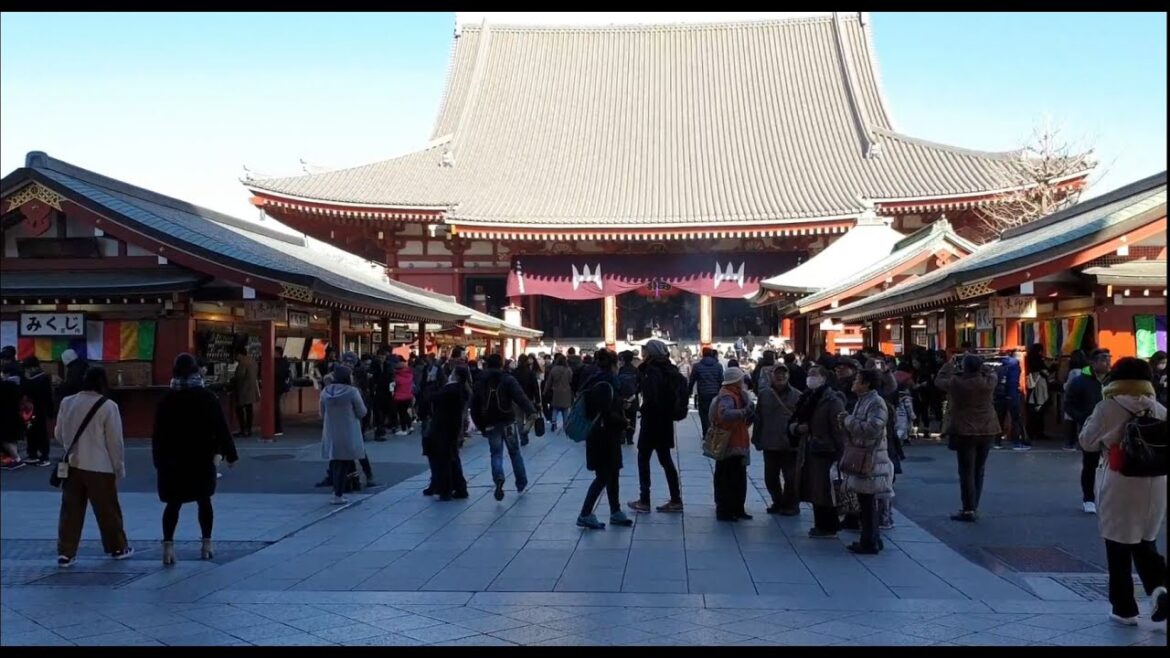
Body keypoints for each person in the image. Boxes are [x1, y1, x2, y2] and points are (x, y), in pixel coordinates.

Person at [1078, 357, 1167, 627]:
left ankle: (1124, 609)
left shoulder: (1107, 407)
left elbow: (1087, 442)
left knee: (1117, 546)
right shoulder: (1159, 408)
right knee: (1145, 541)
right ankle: (1161, 588)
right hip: (1156, 482)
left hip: (1120, 481)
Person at [152, 353, 239, 565]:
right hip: (200, 457)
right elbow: (221, 427)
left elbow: (157, 434)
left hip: (172, 460)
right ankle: (206, 544)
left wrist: (158, 460)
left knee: (173, 504)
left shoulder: (166, 399)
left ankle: (168, 547)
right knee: (204, 500)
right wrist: (230, 454)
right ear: (195, 371)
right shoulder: (207, 397)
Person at [54, 366, 133, 566]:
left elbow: (58, 433)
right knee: (107, 510)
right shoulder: (108, 406)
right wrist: (118, 467)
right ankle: (117, 547)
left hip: (73, 464)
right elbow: (115, 442)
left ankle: (66, 552)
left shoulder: (67, 402)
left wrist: (70, 448)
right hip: (100, 466)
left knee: (70, 511)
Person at [936, 354, 1000, 523]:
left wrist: (949, 365)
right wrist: (982, 366)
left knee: (966, 471)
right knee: (979, 470)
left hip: (964, 430)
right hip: (987, 428)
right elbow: (993, 372)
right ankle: (974, 506)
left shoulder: (957, 383)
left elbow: (939, 380)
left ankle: (968, 508)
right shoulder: (988, 382)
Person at [577, 350, 635, 529]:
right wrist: (624, 420)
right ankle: (585, 513)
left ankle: (615, 510)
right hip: (605, 434)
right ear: (613, 364)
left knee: (613, 472)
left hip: (598, 433)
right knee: (604, 475)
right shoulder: (608, 382)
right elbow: (607, 411)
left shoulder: (594, 379)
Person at [840, 369, 893, 554]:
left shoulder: (876, 403)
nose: (854, 382)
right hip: (864, 455)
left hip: (871, 458)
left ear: (867, 383)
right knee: (865, 500)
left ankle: (869, 540)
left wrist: (848, 421)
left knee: (868, 501)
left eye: (857, 379)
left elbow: (873, 428)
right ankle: (872, 538)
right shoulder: (864, 401)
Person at [628, 340, 684, 514]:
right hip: (665, 421)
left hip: (652, 420)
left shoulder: (652, 371)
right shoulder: (670, 369)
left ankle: (644, 499)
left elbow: (652, 396)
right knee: (665, 460)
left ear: (650, 353)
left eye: (645, 351)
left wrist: (643, 408)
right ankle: (676, 499)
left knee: (643, 458)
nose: (643, 354)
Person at [471, 353, 537, 501]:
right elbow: (520, 397)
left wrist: (480, 426)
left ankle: (499, 478)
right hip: (508, 420)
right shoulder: (507, 379)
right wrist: (531, 411)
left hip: (490, 422)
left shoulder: (481, 381)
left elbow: (474, 405)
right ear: (501, 364)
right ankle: (521, 482)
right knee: (514, 452)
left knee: (496, 453)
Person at [791, 366, 847, 537]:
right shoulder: (807, 397)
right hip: (809, 447)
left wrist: (841, 452)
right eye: (809, 374)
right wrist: (796, 429)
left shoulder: (832, 400)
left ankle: (828, 525)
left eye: (815, 375)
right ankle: (820, 524)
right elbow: (795, 419)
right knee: (814, 487)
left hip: (825, 449)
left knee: (825, 489)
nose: (810, 378)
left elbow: (839, 429)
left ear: (824, 378)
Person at [1064, 349, 1111, 514]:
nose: (1107, 362)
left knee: (1112, 465)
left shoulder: (1112, 381)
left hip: (1112, 428)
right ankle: (1088, 498)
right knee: (1090, 464)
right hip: (1090, 427)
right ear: (1093, 362)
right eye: (1104, 359)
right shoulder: (1080, 382)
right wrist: (1082, 418)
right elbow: (1068, 404)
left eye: (1109, 358)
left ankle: (1107, 498)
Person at [753, 364, 802, 515]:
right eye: (777, 374)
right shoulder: (764, 394)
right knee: (770, 477)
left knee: (791, 477)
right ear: (771, 376)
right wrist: (756, 437)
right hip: (770, 441)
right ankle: (777, 501)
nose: (780, 377)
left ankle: (791, 505)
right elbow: (758, 417)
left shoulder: (797, 395)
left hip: (790, 443)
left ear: (788, 376)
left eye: (783, 374)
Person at [711, 367, 755, 522]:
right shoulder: (728, 395)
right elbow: (725, 414)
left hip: (737, 441)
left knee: (737, 477)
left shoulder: (737, 394)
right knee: (728, 477)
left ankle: (737, 508)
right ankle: (725, 509)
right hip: (729, 443)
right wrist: (744, 412)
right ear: (736, 380)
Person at [319, 365, 368, 505]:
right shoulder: (352, 391)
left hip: (331, 430)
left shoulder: (325, 391)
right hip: (348, 430)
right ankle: (339, 494)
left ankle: (336, 492)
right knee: (345, 462)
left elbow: (321, 413)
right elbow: (362, 412)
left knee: (334, 462)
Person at [423, 365, 471, 501]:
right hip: (453, 426)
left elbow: (431, 398)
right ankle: (459, 487)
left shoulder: (450, 389)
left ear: (456, 376)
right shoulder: (462, 389)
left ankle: (445, 489)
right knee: (452, 457)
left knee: (442, 459)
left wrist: (430, 383)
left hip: (441, 427)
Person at [20, 356, 54, 466]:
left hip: (39, 410)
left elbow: (45, 395)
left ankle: (44, 456)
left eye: (28, 368)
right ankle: (33, 454)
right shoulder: (35, 378)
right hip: (30, 410)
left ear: (33, 367)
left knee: (41, 432)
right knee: (30, 432)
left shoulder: (42, 378)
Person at [689, 347, 724, 439]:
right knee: (714, 414)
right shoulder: (718, 366)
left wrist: (688, 392)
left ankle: (706, 433)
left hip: (703, 393)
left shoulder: (697, 366)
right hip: (715, 393)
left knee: (704, 414)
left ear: (703, 354)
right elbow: (721, 380)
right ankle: (714, 432)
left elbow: (692, 380)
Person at [993, 348, 1023, 450]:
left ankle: (997, 442)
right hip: (1011, 393)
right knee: (1015, 419)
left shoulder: (996, 364)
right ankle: (1016, 442)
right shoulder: (1014, 364)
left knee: (999, 418)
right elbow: (1013, 380)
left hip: (998, 394)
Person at [1062, 350, 1091, 450]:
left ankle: (1069, 443)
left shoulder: (1073, 372)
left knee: (1070, 420)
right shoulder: (1087, 370)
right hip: (1084, 398)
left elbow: (1068, 386)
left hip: (1072, 398)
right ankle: (1081, 442)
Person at [229, 346, 259, 438]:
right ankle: (248, 429)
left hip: (243, 389)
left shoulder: (242, 363)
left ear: (239, 354)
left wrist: (232, 379)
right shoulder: (253, 361)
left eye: (235, 355)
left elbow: (240, 376)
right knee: (249, 409)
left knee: (240, 410)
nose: (234, 357)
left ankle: (242, 429)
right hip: (252, 389)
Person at [1, 363, 26, 469]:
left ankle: (17, 459)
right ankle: (12, 459)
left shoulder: (5, 385)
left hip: (5, 415)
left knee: (4, 439)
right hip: (15, 414)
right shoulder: (18, 384)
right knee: (11, 439)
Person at [513, 356, 540, 447]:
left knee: (519, 418)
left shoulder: (514, 372)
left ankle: (522, 437)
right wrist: (538, 400)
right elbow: (535, 387)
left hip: (516, 399)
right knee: (532, 415)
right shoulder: (530, 372)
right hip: (528, 398)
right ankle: (525, 430)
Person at [544, 353, 573, 433]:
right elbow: (571, 380)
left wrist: (545, 391)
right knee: (565, 410)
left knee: (555, 408)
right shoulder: (568, 370)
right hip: (566, 392)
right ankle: (565, 425)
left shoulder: (554, 369)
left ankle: (553, 422)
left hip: (556, 391)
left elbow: (549, 382)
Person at [617, 350, 641, 446]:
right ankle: (630, 438)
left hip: (622, 398)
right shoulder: (635, 370)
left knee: (622, 416)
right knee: (632, 418)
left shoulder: (621, 370)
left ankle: (622, 437)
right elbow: (640, 383)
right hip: (633, 398)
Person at [392, 359, 415, 436]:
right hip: (408, 396)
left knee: (402, 413)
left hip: (399, 397)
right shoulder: (410, 375)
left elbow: (393, 386)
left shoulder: (397, 377)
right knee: (405, 412)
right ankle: (410, 426)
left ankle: (403, 429)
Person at [273, 346, 292, 437]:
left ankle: (277, 428)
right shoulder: (285, 363)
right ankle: (277, 428)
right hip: (280, 387)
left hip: (277, 387)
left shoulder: (278, 364)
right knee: (276, 407)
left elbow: (276, 374)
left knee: (275, 408)